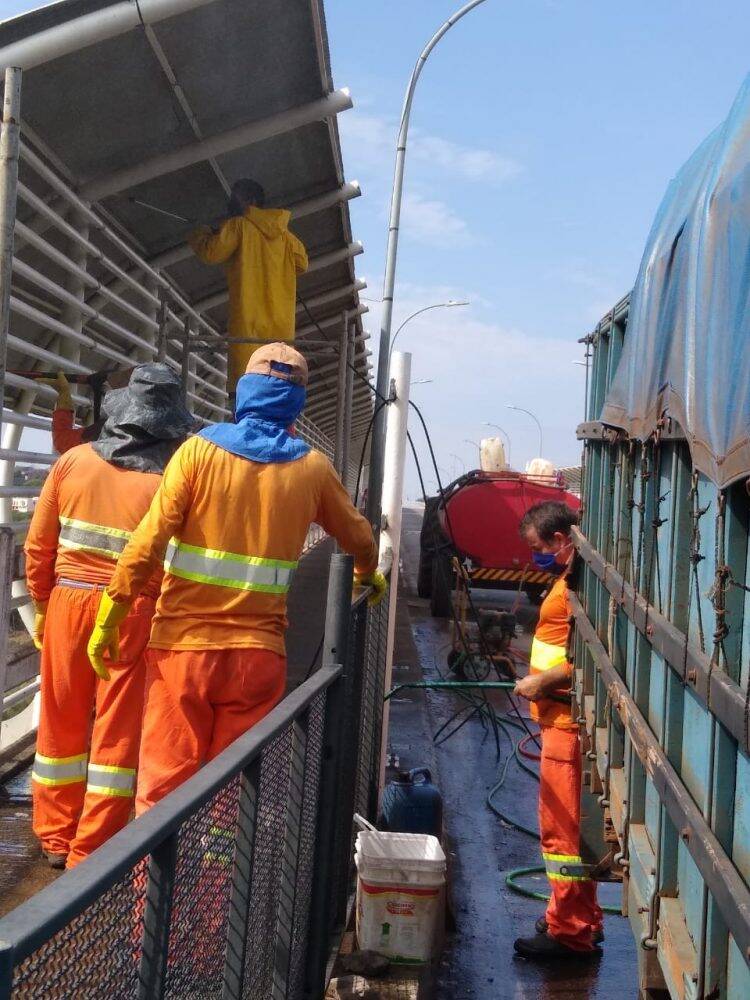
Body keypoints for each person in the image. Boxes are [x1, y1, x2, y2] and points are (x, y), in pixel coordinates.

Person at [88, 343, 384, 814]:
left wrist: (112, 613)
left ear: (243, 391)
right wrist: (369, 573)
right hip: (257, 656)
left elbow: (146, 543)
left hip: (182, 651)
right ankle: (217, 882)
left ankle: (151, 886)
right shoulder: (312, 468)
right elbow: (358, 535)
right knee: (231, 794)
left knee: (163, 788)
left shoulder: (197, 451)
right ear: (297, 403)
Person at [25, 365, 195, 869]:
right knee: (116, 733)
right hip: (132, 612)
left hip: (65, 604)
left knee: (60, 721)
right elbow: (175, 566)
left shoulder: (73, 461)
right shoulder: (171, 481)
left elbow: (39, 548)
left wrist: (41, 607)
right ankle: (92, 850)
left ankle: (55, 836)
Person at [512, 500, 603, 960]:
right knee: (575, 833)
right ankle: (583, 917)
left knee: (562, 837)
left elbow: (589, 652)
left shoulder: (577, 588)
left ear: (562, 541)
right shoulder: (573, 580)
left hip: (565, 726)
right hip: (560, 720)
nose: (535, 558)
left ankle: (568, 934)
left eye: (538, 549)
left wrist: (540, 681)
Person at [188, 179, 308, 393]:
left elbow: (212, 252)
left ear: (251, 201)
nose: (232, 203)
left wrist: (199, 233)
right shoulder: (287, 238)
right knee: (276, 392)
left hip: (247, 328)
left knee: (245, 396)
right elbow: (303, 263)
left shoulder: (239, 226)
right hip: (279, 334)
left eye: (237, 197)